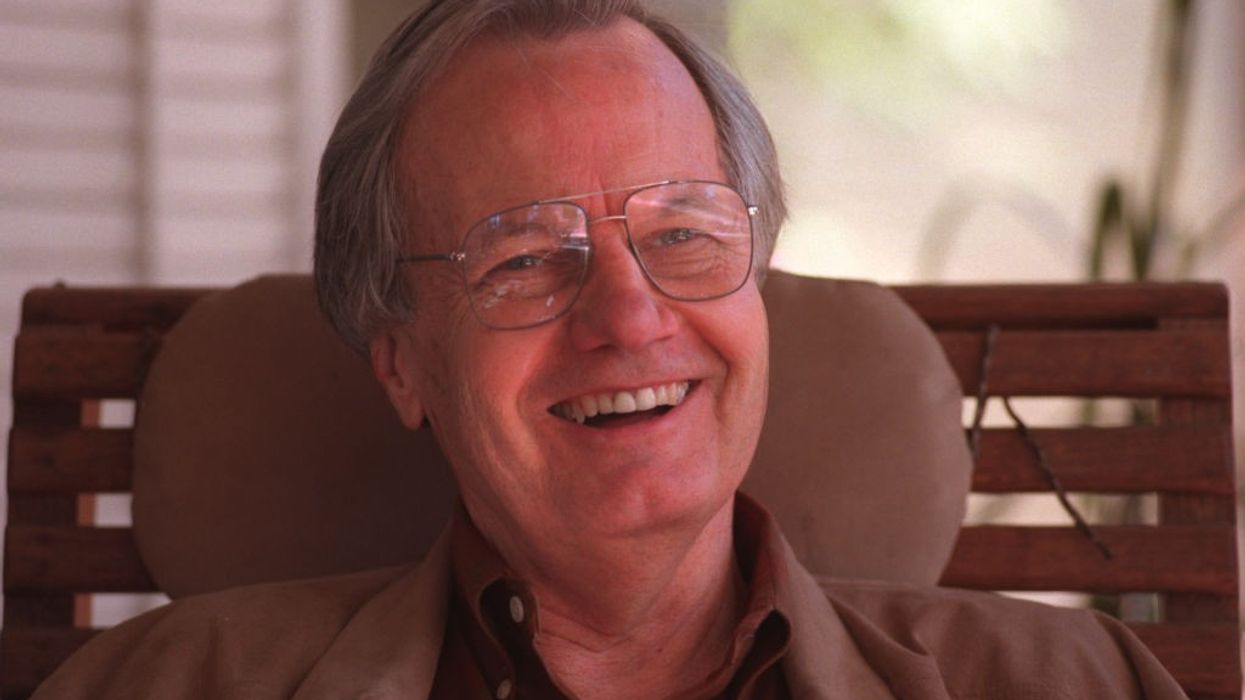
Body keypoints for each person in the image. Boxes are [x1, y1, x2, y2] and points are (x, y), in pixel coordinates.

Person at [35, 1, 1187, 698]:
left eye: (683, 233)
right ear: (401, 363)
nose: (631, 318)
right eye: (526, 255)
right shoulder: (156, 687)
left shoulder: (1075, 684)